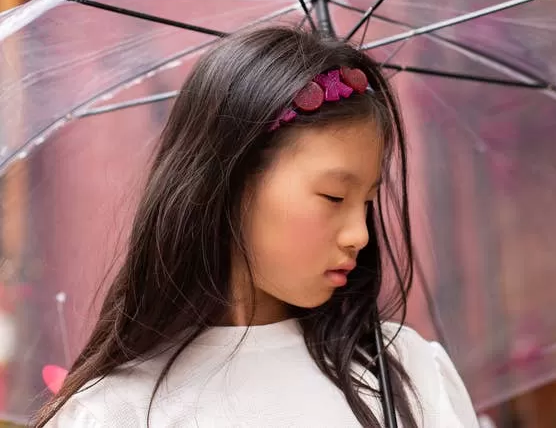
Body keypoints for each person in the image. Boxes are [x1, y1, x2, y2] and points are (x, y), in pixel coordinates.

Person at [33, 25, 482, 428]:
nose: (359, 235)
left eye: (366, 202)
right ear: (228, 184)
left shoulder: (404, 368)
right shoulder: (115, 412)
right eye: (333, 197)